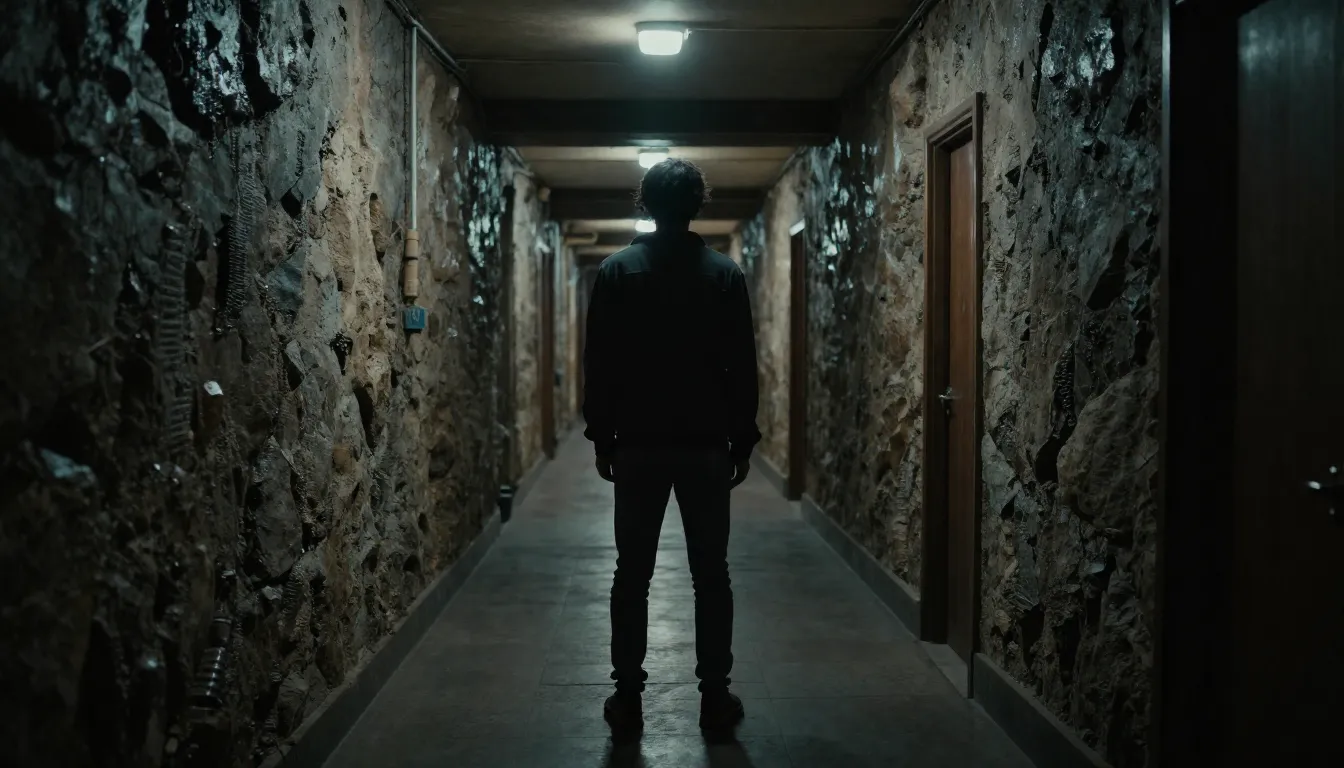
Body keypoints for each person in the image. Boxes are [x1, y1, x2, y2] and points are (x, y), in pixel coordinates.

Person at [582, 158, 761, 734]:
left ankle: (627, 699)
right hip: (705, 445)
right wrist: (742, 439)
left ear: (647, 203)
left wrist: (601, 436)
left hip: (638, 444)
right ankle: (715, 698)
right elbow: (741, 366)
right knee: (711, 575)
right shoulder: (724, 275)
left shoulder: (616, 272)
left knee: (632, 574)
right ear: (696, 205)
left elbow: (601, 362)